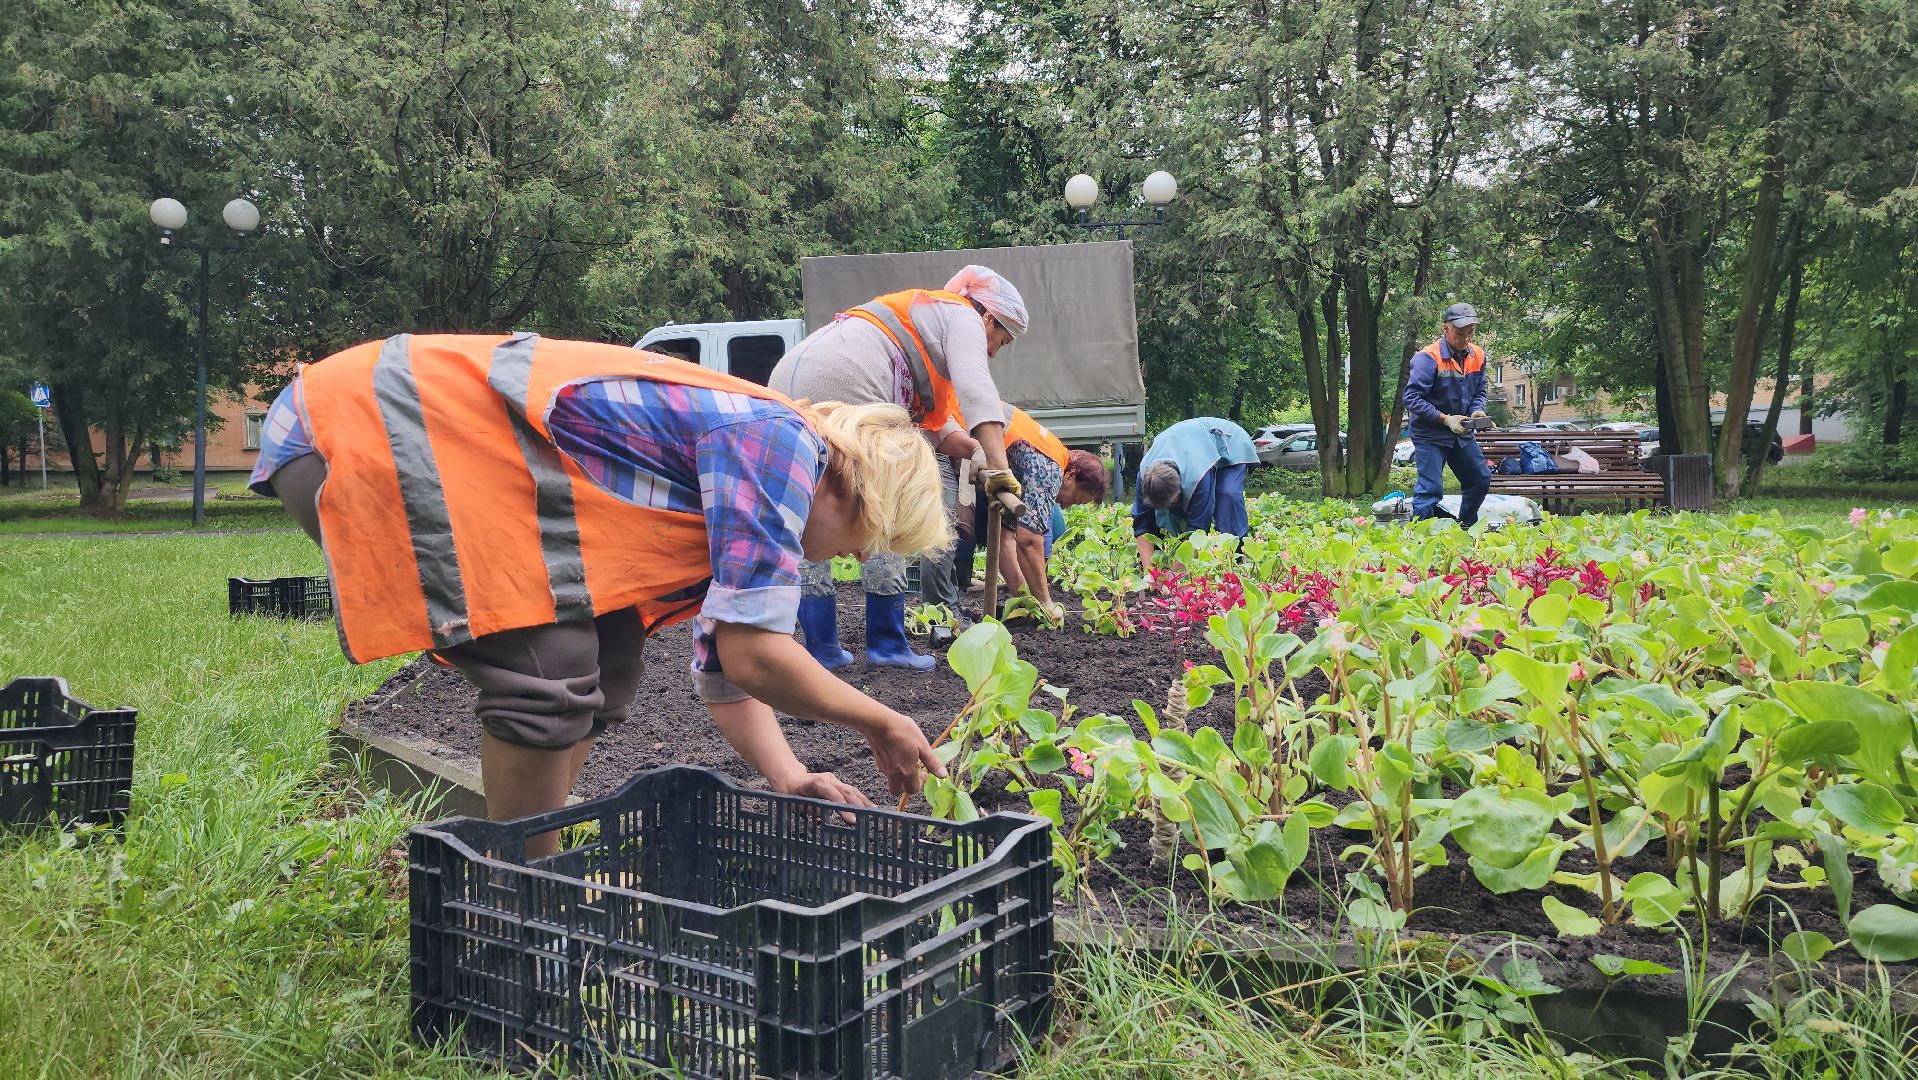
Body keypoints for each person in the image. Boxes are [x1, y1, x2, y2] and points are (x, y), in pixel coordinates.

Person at [250, 333, 949, 856]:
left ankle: (527, 867)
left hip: (394, 431)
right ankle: (525, 892)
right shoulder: (779, 444)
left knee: (611, 657)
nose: (857, 557)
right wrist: (877, 720)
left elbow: (723, 671)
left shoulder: (749, 469)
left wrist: (791, 776)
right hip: (364, 428)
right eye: (870, 537)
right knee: (546, 670)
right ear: (856, 486)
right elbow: (754, 657)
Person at [770, 265, 1028, 666]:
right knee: (885, 499)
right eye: (1001, 339)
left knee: (813, 503)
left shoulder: (924, 329)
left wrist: (976, 454)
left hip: (789, 376)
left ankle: (821, 649)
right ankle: (886, 644)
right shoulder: (962, 314)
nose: (993, 350)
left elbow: (945, 429)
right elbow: (978, 389)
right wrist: (999, 469)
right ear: (988, 318)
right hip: (845, 379)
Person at [983, 407, 1108, 619]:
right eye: (1075, 499)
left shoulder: (1044, 461)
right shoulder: (1050, 470)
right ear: (1071, 475)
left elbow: (1005, 541)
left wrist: (1027, 604)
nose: (1066, 506)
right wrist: (1046, 604)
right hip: (959, 425)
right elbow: (1029, 541)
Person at [1403, 302, 1493, 527]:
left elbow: (1480, 390)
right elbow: (1411, 399)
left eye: (1470, 333)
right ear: (1446, 329)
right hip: (1430, 434)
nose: (1466, 339)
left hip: (1461, 432)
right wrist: (1445, 419)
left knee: (1480, 478)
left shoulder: (1478, 355)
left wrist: (1476, 410)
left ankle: (1465, 527)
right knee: (1430, 489)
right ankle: (1421, 539)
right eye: (1460, 333)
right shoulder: (1428, 358)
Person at [1131, 417, 1260, 565]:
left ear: (1181, 488)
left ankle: (1236, 557)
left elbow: (1198, 530)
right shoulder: (1144, 477)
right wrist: (1150, 575)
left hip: (1229, 443)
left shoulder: (1198, 476)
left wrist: (1173, 578)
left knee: (1227, 495)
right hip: (1192, 442)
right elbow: (1142, 525)